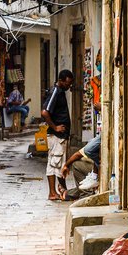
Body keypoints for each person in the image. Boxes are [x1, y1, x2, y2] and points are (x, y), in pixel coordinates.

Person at [42, 69, 76, 200]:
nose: (69, 86)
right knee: (54, 163)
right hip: (56, 136)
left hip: (61, 136)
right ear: (61, 81)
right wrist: (55, 127)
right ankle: (52, 193)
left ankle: (61, 190)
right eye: (67, 84)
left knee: (59, 163)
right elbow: (45, 112)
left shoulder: (61, 92)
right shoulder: (55, 91)